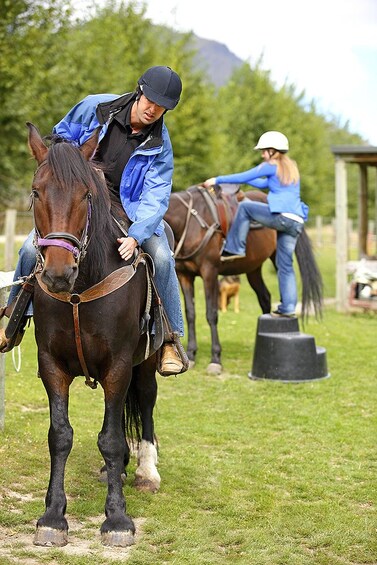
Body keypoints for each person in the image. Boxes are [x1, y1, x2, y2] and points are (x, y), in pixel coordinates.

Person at [0, 65, 188, 375]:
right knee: (30, 251)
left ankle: (169, 338)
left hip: (129, 213)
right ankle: (16, 319)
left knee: (163, 257)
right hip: (75, 202)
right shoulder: (94, 107)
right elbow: (59, 141)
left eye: (162, 107)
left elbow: (156, 195)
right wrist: (72, 173)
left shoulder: (160, 145)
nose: (154, 110)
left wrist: (136, 236)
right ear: (139, 92)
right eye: (150, 101)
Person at [203, 131, 308, 317]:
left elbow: (244, 176)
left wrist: (217, 180)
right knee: (285, 266)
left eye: (263, 151)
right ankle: (288, 307)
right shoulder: (290, 168)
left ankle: (236, 247)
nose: (262, 155)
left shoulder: (271, 165)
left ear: (272, 151)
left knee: (245, 208)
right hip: (296, 221)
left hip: (282, 217)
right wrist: (246, 180)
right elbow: (260, 183)